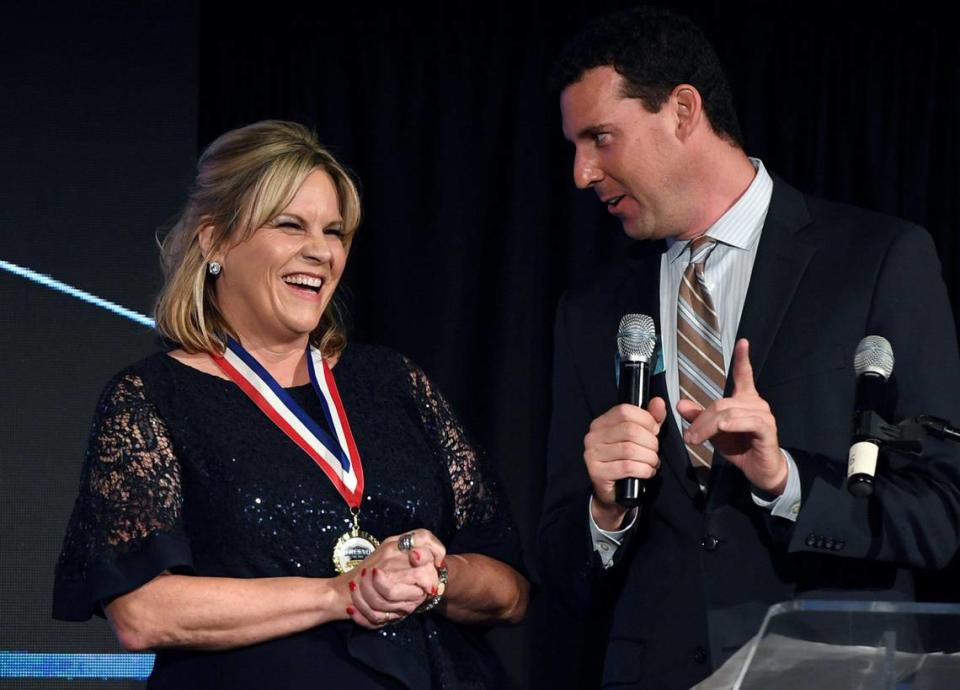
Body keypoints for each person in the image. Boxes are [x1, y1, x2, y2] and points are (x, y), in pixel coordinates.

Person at [537, 6, 960, 689]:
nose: (583, 172)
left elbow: (942, 513)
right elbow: (560, 575)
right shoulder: (591, 314)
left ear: (681, 110)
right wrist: (605, 513)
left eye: (601, 138)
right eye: (576, 146)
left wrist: (785, 482)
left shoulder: (877, 261)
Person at [53, 120, 529, 689]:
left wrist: (434, 572)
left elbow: (510, 591)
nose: (320, 252)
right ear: (214, 240)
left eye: (334, 232)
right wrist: (341, 593)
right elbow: (143, 613)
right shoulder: (152, 399)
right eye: (289, 226)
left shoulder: (394, 383)